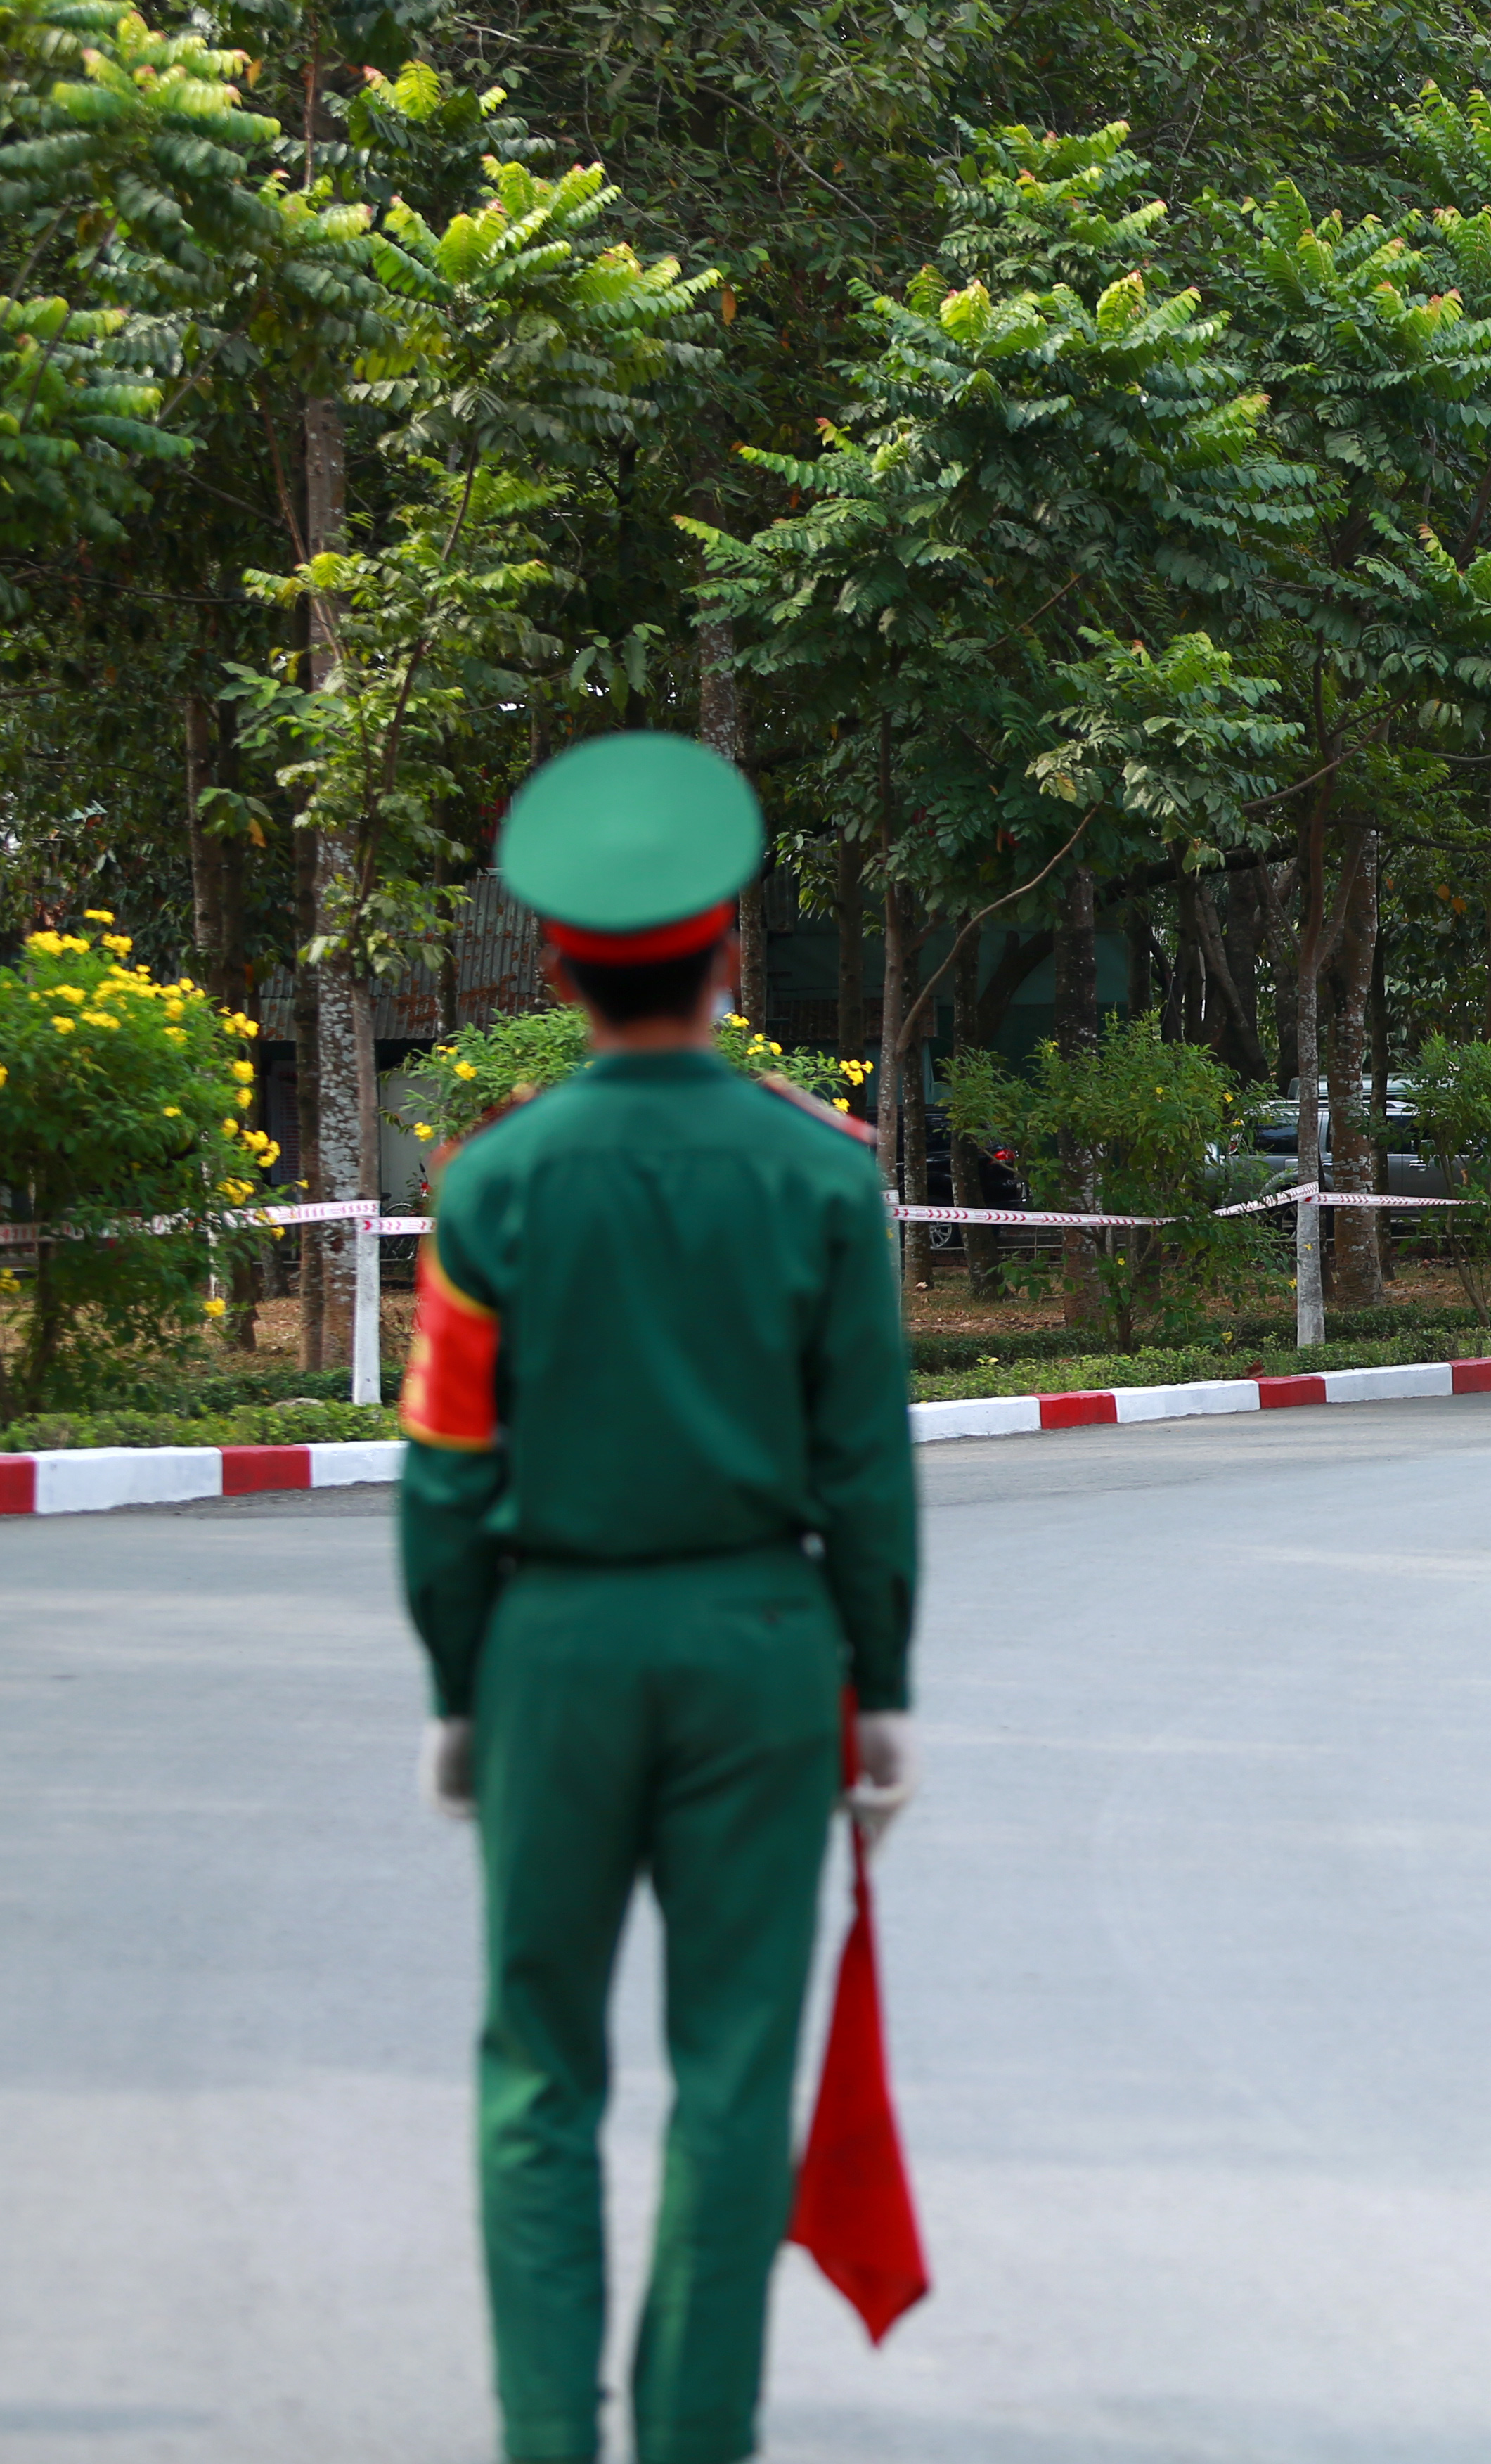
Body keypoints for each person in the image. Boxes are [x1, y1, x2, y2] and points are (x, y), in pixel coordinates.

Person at [399, 731, 922, 2464]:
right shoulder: (822, 1175)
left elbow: (448, 1471)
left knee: (540, 2072)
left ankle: (548, 2437)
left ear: (559, 968)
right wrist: (886, 1684)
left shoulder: (492, 1182)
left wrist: (461, 1684)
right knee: (728, 2072)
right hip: (763, 1656)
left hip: (551, 1649)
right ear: (725, 958)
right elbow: (863, 1466)